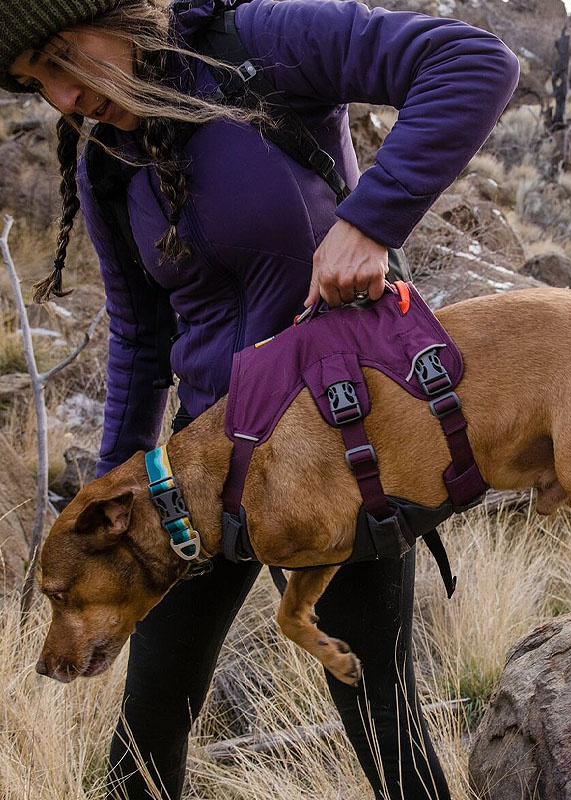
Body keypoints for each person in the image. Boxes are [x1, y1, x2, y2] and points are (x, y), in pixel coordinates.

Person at [1, 0, 518, 796]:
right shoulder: (104, 158)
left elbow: (473, 64)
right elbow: (141, 341)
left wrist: (370, 220)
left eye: (64, 56)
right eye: (38, 82)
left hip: (340, 448)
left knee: (380, 715)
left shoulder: (259, 43)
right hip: (195, 468)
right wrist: (113, 484)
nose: (64, 97)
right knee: (151, 712)